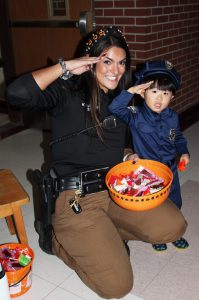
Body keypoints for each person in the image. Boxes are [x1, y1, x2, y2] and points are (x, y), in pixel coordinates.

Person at [6, 27, 188, 299]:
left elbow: (125, 140)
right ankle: (57, 240)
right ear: (90, 62)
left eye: (121, 62)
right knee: (117, 286)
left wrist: (127, 154)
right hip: (75, 196)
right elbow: (17, 94)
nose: (115, 69)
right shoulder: (66, 92)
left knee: (173, 226)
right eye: (106, 60)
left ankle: (105, 233)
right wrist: (65, 67)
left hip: (117, 191)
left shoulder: (124, 101)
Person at [108, 60, 190, 252]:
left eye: (165, 93)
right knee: (153, 205)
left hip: (170, 169)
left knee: (175, 200)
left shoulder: (172, 116)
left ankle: (175, 233)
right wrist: (130, 91)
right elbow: (114, 108)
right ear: (143, 92)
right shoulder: (135, 115)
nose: (159, 98)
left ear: (172, 96)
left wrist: (184, 151)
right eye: (153, 91)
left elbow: (177, 137)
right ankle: (157, 234)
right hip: (147, 173)